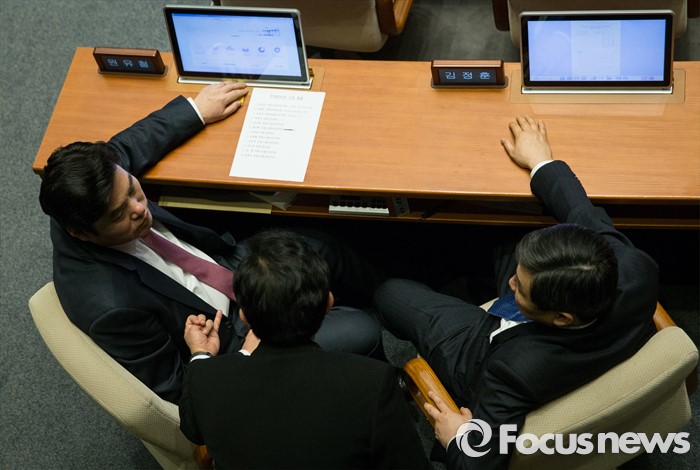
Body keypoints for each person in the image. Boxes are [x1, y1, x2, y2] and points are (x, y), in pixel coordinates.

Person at [38, 82, 383, 404]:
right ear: (81, 233)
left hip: (228, 264)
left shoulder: (91, 186)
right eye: (119, 214)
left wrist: (197, 111)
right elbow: (175, 389)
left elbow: (127, 146)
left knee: (320, 248)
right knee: (360, 330)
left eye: (132, 189)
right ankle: (381, 385)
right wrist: (226, 354)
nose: (140, 208)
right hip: (231, 337)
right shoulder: (110, 308)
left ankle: (383, 294)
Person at [373, 115, 659, 469]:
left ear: (561, 317)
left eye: (519, 287)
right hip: (585, 340)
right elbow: (580, 210)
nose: (511, 283)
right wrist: (540, 160)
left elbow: (479, 464)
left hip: (480, 350)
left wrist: (458, 437)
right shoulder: (635, 269)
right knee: (509, 236)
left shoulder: (512, 371)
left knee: (390, 293)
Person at [178, 230, 431, 469]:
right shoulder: (372, 382)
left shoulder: (206, 378)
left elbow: (192, 428)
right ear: (328, 303)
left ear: (244, 316)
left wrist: (200, 354)